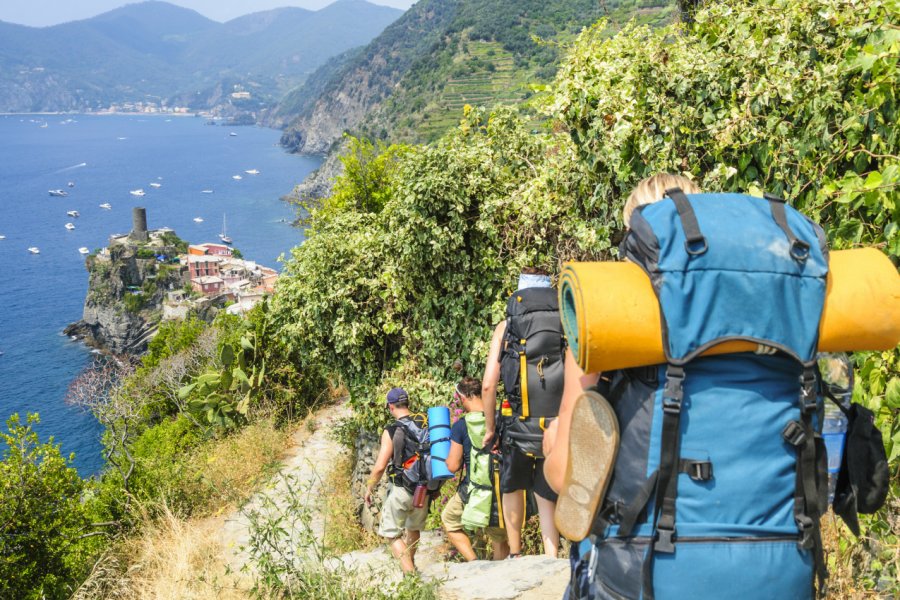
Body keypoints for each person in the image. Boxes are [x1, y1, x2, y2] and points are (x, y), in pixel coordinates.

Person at [483, 267, 563, 558]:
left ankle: (515, 554)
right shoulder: (565, 319)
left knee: (512, 486)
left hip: (517, 422)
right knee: (545, 489)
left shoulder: (507, 326)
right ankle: (551, 555)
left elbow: (489, 384)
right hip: (557, 422)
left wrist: (491, 429)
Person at [441, 377, 510, 561]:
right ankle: (500, 577)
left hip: (473, 489)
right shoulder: (500, 418)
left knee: (449, 519)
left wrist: (444, 461)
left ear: (464, 397)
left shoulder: (461, 426)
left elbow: (454, 465)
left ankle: (474, 563)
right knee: (499, 539)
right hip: (500, 485)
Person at [365, 387, 429, 574]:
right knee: (413, 528)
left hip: (402, 488)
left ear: (390, 406)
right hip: (424, 488)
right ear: (407, 402)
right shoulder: (424, 421)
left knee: (391, 533)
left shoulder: (392, 430)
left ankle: (411, 577)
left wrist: (369, 488)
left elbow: (379, 466)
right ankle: (411, 564)